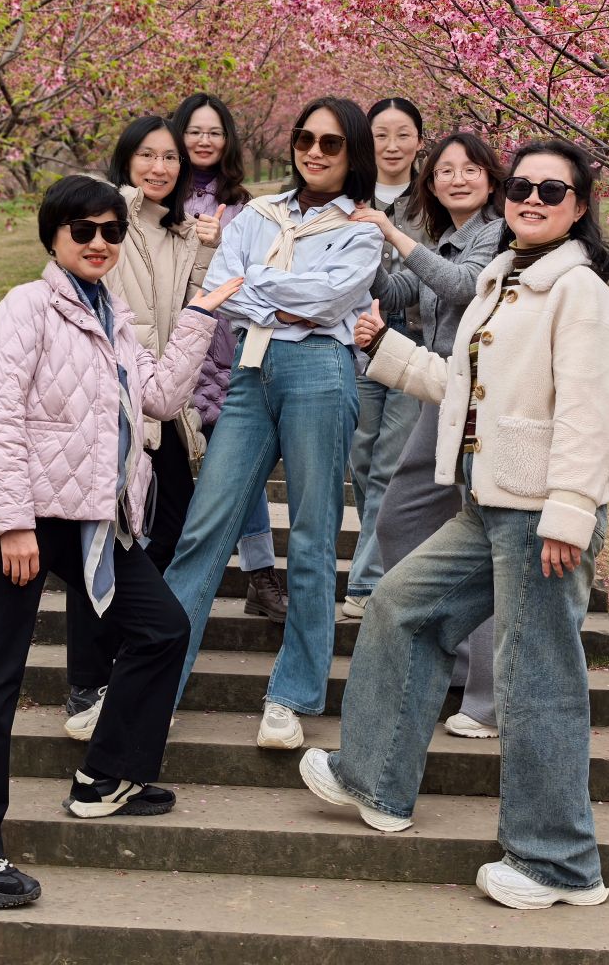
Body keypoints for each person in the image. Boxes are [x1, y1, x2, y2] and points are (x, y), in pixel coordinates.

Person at [299, 140, 609, 912]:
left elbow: (590, 417)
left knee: (536, 679)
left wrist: (570, 513)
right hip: (489, 506)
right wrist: (389, 350)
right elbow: (467, 389)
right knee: (400, 606)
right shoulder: (503, 283)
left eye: (553, 190)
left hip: (542, 515)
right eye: (522, 186)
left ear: (580, 207)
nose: (533, 198)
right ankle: (374, 780)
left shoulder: (582, 296)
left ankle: (559, 863)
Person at [0, 175, 243, 909]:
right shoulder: (25, 309)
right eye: (83, 230)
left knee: (162, 627)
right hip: (23, 517)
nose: (99, 242)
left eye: (111, 231)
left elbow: (160, 400)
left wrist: (198, 316)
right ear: (54, 236)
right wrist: (11, 523)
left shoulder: (114, 316)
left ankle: (106, 777)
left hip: (93, 516)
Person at [162, 97, 384, 751]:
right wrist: (282, 298)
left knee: (313, 536)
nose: (313, 151)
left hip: (322, 371)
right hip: (250, 371)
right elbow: (226, 291)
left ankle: (292, 694)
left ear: (353, 153)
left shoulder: (363, 227)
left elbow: (328, 301)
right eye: (305, 138)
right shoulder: (259, 214)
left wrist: (261, 285)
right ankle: (155, 685)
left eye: (331, 143)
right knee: (205, 527)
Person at [351, 131, 507, 736]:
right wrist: (366, 252)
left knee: (483, 541)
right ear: (432, 184)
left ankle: (487, 701)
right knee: (400, 518)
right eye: (445, 171)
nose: (457, 178)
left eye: (470, 169)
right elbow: (400, 293)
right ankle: (456, 657)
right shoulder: (441, 238)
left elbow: (463, 285)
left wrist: (396, 236)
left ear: (490, 180)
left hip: (483, 399)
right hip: (440, 392)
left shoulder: (497, 234)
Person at [61, 115, 211, 740]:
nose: (160, 167)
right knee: (102, 537)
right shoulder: (108, 220)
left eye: (171, 157)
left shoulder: (180, 231)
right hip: (112, 402)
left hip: (165, 400)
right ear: (126, 161)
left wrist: (206, 249)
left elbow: (197, 304)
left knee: (168, 528)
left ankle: (131, 652)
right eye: (147, 155)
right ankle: (86, 684)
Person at [170, 93, 288, 625]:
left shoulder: (248, 208)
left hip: (225, 349)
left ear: (228, 140)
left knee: (239, 466)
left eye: (214, 132)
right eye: (194, 131)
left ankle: (260, 574)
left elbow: (259, 276)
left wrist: (220, 244)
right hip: (167, 346)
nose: (204, 141)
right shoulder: (159, 199)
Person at [340, 96, 427, 618]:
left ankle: (368, 581)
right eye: (380, 135)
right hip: (356, 338)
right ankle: (381, 558)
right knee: (362, 459)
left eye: (403, 134)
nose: (392, 146)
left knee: (391, 463)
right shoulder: (348, 196)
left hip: (414, 340)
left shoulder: (433, 198)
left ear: (420, 141)